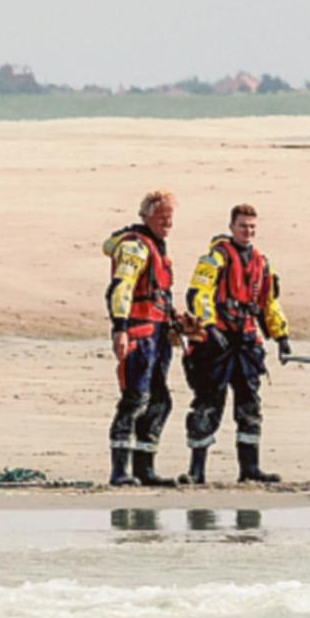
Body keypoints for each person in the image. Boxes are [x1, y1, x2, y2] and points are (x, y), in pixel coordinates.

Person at [179, 203, 292, 484]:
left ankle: (250, 468)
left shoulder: (262, 263)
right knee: (207, 403)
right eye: (243, 226)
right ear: (231, 228)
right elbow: (198, 293)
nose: (248, 231)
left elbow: (269, 303)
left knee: (249, 405)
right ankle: (196, 470)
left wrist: (281, 335)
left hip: (246, 343)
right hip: (216, 343)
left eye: (252, 226)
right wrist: (208, 324)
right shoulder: (215, 258)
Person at [102, 190, 180, 487]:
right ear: (146, 216)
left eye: (170, 218)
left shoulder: (158, 247)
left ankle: (145, 468)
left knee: (160, 401)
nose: (166, 223)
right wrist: (120, 328)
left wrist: (174, 322)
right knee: (135, 399)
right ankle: (120, 471)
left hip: (158, 333)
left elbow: (160, 293)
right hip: (138, 331)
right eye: (161, 217)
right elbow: (121, 289)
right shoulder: (136, 248)